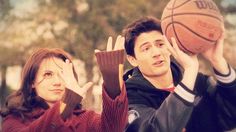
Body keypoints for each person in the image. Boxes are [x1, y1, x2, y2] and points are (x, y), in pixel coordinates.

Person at [122, 16, 236, 132]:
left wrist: (218, 62)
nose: (156, 53)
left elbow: (230, 117)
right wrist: (190, 71)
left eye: (160, 44)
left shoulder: (198, 83)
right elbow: (154, 129)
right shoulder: (128, 98)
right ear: (132, 60)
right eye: (146, 48)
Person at [0, 48, 128, 132]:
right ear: (32, 81)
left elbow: (112, 128)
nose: (57, 82)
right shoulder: (14, 120)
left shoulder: (85, 118)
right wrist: (65, 106)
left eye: (62, 74)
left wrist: (113, 85)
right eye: (48, 74)